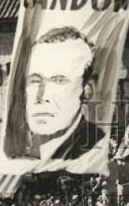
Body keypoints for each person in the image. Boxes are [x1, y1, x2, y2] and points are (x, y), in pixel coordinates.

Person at [23, 26, 108, 161]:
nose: (41, 97)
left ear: (87, 88)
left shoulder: (95, 147)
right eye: (34, 80)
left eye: (58, 80)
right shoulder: (23, 147)